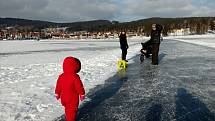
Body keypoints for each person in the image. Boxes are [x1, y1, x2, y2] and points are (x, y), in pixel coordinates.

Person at [55, 56, 85, 121]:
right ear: (75, 67)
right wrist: (82, 94)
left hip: (64, 98)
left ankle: (68, 115)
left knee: (67, 109)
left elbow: (58, 86)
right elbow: (79, 87)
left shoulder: (61, 76)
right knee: (71, 111)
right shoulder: (75, 77)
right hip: (72, 98)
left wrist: (57, 93)